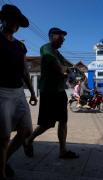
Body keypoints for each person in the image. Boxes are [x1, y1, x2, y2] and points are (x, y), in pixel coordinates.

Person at [24, 27, 79, 159]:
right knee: (47, 123)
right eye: (60, 37)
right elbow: (59, 67)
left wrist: (72, 70)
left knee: (63, 121)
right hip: (48, 91)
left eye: (63, 38)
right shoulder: (46, 48)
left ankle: (63, 151)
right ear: (51, 36)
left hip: (60, 91)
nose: (63, 40)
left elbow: (66, 65)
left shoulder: (57, 52)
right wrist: (68, 71)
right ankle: (28, 141)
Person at [0, 4, 38, 179]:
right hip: (2, 92)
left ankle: (4, 159)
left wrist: (32, 92)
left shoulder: (20, 46)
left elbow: (24, 71)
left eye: (18, 23)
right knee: (4, 137)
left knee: (26, 130)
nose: (15, 25)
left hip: (19, 92)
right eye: (13, 21)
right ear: (4, 20)